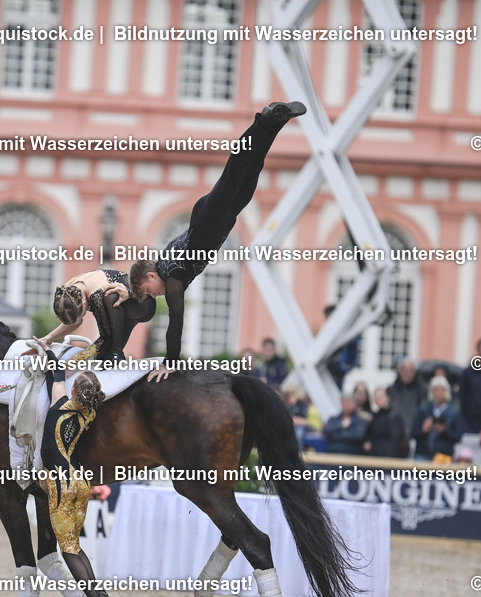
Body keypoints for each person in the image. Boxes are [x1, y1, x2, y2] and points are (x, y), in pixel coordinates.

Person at [129, 101, 307, 380]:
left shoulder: (172, 276)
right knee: (252, 172)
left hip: (209, 222)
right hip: (218, 220)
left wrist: (169, 362)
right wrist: (125, 291)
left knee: (236, 169)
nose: (154, 295)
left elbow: (176, 321)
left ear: (152, 274)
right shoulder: (161, 267)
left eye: (149, 289)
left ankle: (264, 120)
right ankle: (278, 121)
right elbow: (141, 287)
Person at [32, 336, 117, 597]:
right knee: (75, 546)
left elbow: (55, 373)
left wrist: (46, 349)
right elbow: (61, 377)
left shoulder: (59, 406)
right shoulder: (89, 413)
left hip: (61, 483)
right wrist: (90, 351)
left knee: (68, 549)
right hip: (81, 482)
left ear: (76, 392)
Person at [39, 269, 155, 363]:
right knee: (101, 358)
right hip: (121, 311)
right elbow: (74, 321)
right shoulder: (68, 292)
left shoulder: (98, 297)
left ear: (85, 303)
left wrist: (78, 358)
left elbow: (105, 338)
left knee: (109, 353)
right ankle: (115, 353)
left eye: (82, 315)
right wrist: (49, 338)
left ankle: (116, 354)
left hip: (143, 304)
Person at [410, 376, 463, 462]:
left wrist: (444, 431)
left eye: (441, 389)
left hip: (443, 456)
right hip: (423, 454)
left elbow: (458, 436)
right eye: (435, 389)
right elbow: (413, 432)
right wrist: (423, 430)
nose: (438, 393)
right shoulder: (424, 410)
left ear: (446, 391)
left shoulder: (454, 412)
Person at [387, 357, 428, 453]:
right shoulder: (391, 390)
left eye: (410, 371)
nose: (407, 374)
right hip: (394, 436)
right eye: (404, 371)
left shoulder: (421, 390)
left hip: (414, 436)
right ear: (399, 372)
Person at [323, 304, 361, 391]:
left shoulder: (347, 332)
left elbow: (353, 348)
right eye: (328, 317)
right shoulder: (325, 334)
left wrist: (345, 366)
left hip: (340, 370)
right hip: (328, 369)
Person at [363, 388, 407, 458]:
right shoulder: (374, 417)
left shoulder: (394, 416)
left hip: (389, 458)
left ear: (387, 397)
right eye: (376, 398)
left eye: (381, 397)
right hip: (375, 457)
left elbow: (396, 442)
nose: (378, 400)